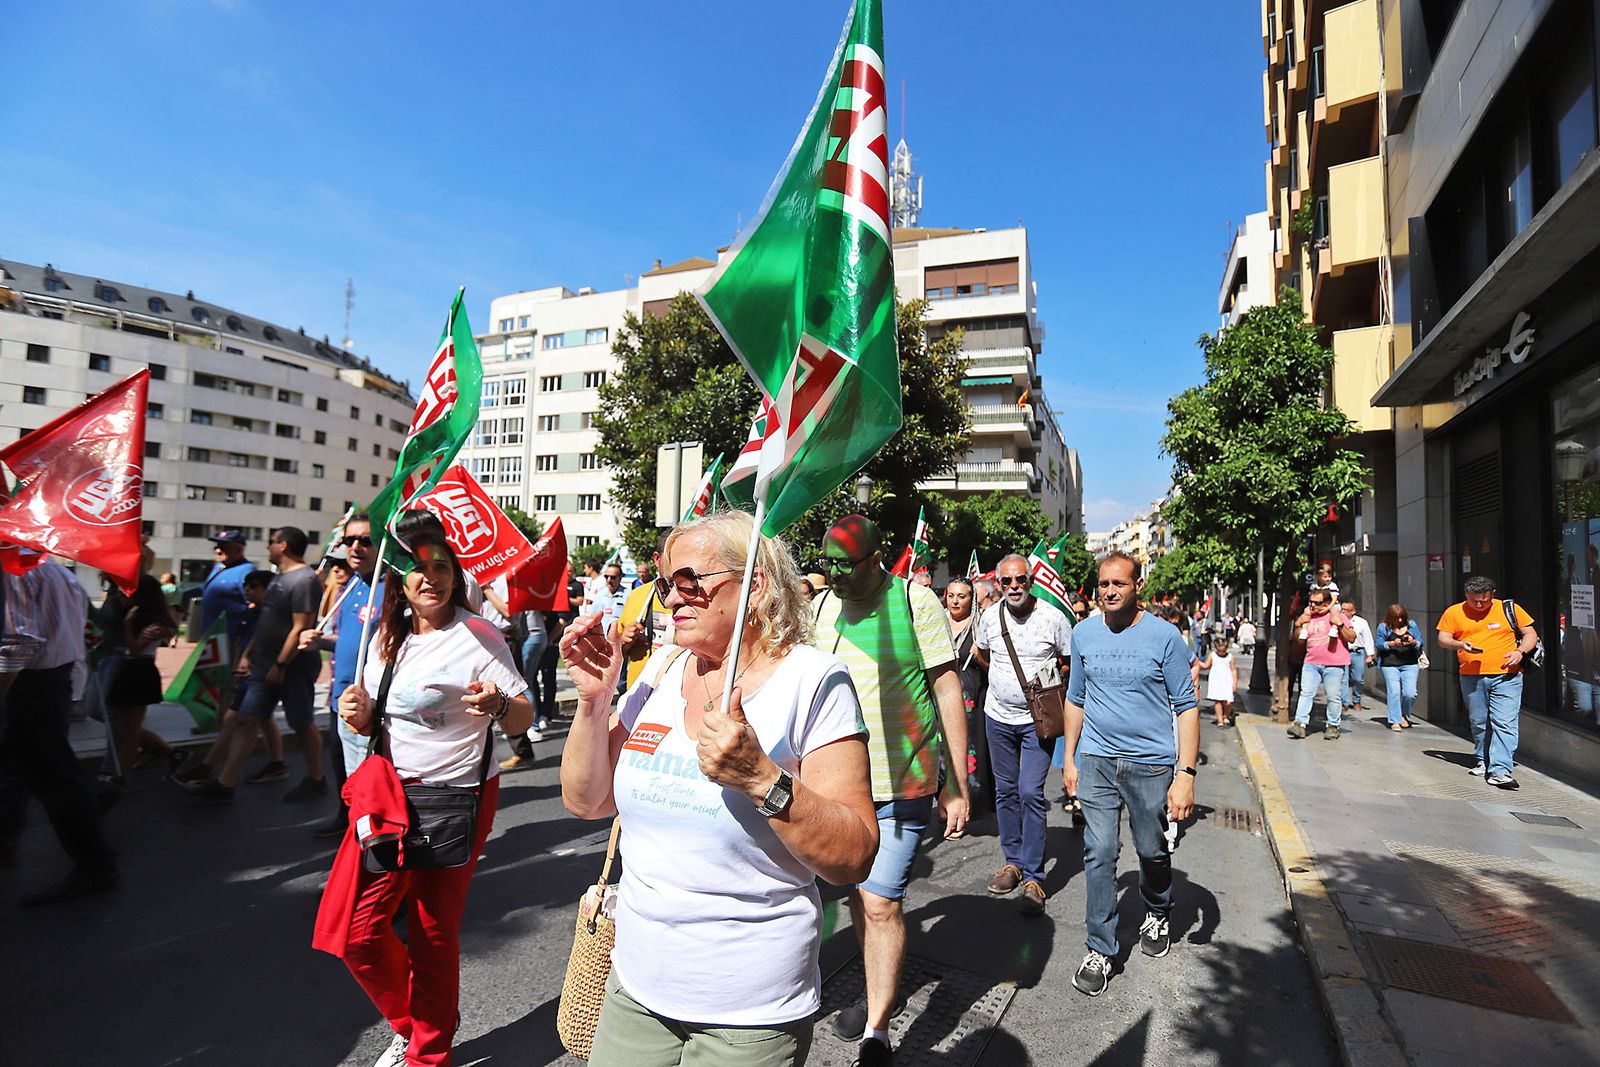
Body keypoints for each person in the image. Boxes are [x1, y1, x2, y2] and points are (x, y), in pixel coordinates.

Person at [560, 510, 876, 1067]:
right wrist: (594, 700)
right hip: (634, 985)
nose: (671, 599)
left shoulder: (813, 679)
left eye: (689, 581)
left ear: (754, 584)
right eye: (665, 584)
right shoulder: (662, 668)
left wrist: (760, 778)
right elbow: (588, 801)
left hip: (748, 1009)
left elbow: (853, 855)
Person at [319, 511, 532, 1067]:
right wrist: (359, 714)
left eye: (442, 566)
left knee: (432, 932)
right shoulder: (385, 635)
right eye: (418, 568)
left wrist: (498, 704)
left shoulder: (478, 634)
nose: (430, 577)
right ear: (400, 577)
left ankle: (427, 1053)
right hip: (388, 799)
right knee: (357, 933)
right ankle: (415, 1024)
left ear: (456, 574)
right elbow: (377, 720)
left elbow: (522, 716)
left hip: (456, 796)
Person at [811, 515, 968, 1066]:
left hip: (904, 783)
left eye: (844, 565)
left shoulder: (914, 603)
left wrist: (956, 784)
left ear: (876, 559)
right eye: (827, 563)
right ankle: (880, 985)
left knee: (880, 902)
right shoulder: (821, 609)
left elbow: (946, 691)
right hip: (836, 785)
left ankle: (877, 1030)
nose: (833, 574)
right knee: (858, 895)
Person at [1062, 552, 1198, 997]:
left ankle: (1157, 910)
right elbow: (1076, 698)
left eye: (1118, 583)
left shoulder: (1165, 637)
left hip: (1151, 764)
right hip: (1097, 760)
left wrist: (1185, 774)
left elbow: (1186, 706)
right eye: (1103, 584)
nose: (1109, 591)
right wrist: (1070, 759)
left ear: (1138, 586)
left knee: (1152, 849)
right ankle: (1100, 948)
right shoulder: (1083, 633)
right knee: (1099, 850)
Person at [0, 558, 120, 905]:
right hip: (50, 679)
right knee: (25, 765)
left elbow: (18, 638)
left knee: (52, 775)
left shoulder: (13, 565)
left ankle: (96, 865)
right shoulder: (52, 568)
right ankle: (92, 798)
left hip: (30, 682)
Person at [191, 528, 326, 803]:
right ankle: (226, 783)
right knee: (245, 719)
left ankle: (316, 777)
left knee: (301, 723)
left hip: (291, 666)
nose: (267, 547)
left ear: (283, 545)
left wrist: (281, 664)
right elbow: (266, 621)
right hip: (263, 665)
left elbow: (300, 627)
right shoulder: (278, 578)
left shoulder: (304, 579)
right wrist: (248, 654)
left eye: (271, 542)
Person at [971, 554, 1073, 915]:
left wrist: (1043, 690)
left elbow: (1068, 662)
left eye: (1020, 580)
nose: (1014, 587)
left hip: (1037, 722)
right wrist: (1005, 684)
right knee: (1006, 791)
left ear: (1031, 581)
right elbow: (982, 654)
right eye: (1007, 581)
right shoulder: (989, 617)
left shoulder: (1053, 618)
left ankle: (1034, 877)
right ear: (999, 584)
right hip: (997, 718)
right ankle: (1013, 863)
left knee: (1030, 791)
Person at [299, 515, 385, 837]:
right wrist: (319, 641)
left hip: (367, 702)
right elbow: (349, 641)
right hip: (341, 697)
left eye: (365, 540)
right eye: (350, 540)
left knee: (367, 774)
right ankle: (349, 820)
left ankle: (370, 834)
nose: (356, 547)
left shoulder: (391, 588)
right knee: (344, 766)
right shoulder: (351, 585)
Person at [1437, 576, 1540, 788]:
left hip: (1508, 676)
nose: (1479, 605)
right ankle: (1483, 760)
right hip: (1471, 676)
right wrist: (1460, 645)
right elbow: (1443, 639)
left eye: (1484, 601)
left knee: (1505, 722)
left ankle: (1500, 770)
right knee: (1479, 721)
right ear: (1466, 595)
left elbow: (1530, 634)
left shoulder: (1509, 609)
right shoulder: (1454, 612)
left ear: (1492, 595)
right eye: (1474, 600)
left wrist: (1520, 652)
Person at [96, 546, 181, 790]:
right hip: (132, 670)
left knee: (130, 728)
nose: (126, 597)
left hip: (140, 671)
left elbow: (135, 649)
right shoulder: (149, 620)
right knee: (125, 725)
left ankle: (120, 774)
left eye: (131, 594)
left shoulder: (154, 624)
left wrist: (127, 624)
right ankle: (164, 753)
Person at [944, 577, 992, 818]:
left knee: (972, 749)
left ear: (971, 600)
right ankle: (946, 802)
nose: (955, 601)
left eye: (961, 596)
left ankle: (973, 802)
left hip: (972, 699)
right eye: (951, 595)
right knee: (942, 750)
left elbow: (993, 667)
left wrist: (980, 656)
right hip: (942, 698)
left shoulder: (979, 626)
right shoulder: (938, 623)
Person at [1288, 590, 1356, 740]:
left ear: (1327, 603)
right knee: (1306, 693)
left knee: (1333, 696)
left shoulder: (1337, 615)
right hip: (1311, 662)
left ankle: (1333, 725)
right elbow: (1298, 641)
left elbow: (1352, 637)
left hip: (1334, 664)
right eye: (1311, 602)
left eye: (1317, 603)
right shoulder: (1308, 616)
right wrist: (1298, 624)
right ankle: (1299, 724)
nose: (1313, 605)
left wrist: (1339, 624)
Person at [1375, 603, 1423, 731]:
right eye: (1396, 618)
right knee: (1394, 692)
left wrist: (1413, 642)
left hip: (1410, 663)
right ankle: (1395, 720)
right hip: (1390, 664)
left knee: (1410, 693)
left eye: (1402, 617)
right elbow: (1379, 644)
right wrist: (1391, 643)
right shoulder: (1383, 627)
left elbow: (1420, 641)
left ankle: (1404, 714)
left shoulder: (1411, 625)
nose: (1400, 620)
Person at [1342, 599, 1376, 719]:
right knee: (1343, 678)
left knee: (1358, 678)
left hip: (1357, 652)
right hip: (1343, 652)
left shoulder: (1361, 622)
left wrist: (1370, 655)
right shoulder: (1338, 621)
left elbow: (1368, 638)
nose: (1343, 612)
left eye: (1346, 610)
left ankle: (1357, 700)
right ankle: (1344, 703)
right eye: (1342, 610)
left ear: (1353, 611)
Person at [1199, 635, 1238, 727]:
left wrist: (1235, 682)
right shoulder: (1212, 655)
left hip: (1227, 680)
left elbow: (1233, 670)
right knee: (1218, 700)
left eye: (1223, 650)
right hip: (1216, 680)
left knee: (1229, 700)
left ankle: (1226, 716)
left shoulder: (1230, 657)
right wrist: (1197, 662)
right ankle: (1220, 720)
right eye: (1219, 651)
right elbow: (1206, 666)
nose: (1221, 653)